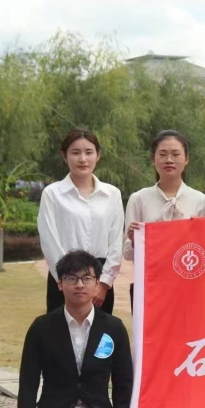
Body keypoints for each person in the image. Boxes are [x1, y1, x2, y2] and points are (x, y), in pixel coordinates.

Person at [17, 251, 133, 408]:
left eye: (86, 278)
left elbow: (123, 384)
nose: (79, 285)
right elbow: (28, 385)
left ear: (97, 283)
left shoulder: (113, 328)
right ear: (60, 283)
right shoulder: (41, 328)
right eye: (72, 279)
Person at [37, 128, 124, 314]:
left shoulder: (112, 194)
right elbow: (49, 240)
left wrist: (104, 283)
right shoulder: (52, 194)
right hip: (63, 278)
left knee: (100, 331)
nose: (83, 159)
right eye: (75, 153)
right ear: (64, 156)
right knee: (60, 331)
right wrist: (67, 281)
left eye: (89, 152)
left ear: (98, 155)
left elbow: (116, 243)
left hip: (100, 281)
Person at [124, 130, 205, 304]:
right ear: (153, 159)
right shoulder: (139, 199)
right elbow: (127, 253)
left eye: (176, 154)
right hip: (150, 286)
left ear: (186, 159)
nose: (169, 160)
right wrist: (134, 240)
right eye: (163, 154)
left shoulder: (200, 200)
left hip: (189, 287)